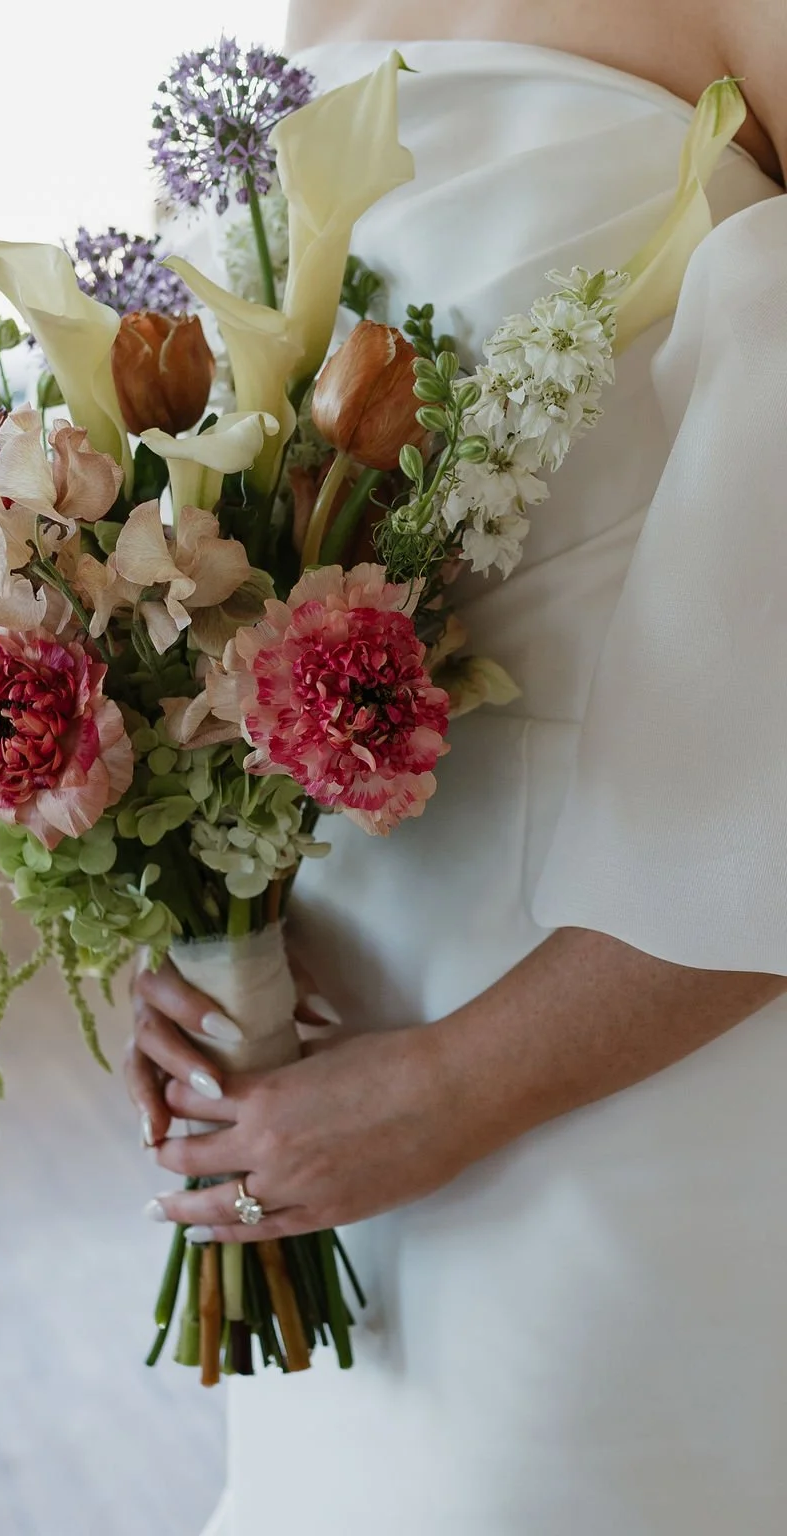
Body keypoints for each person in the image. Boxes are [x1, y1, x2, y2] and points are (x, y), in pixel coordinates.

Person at [126, 3, 787, 1530]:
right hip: (334, 1005)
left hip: (629, 1017)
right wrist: (195, 938)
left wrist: (451, 1090)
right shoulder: (308, 16)